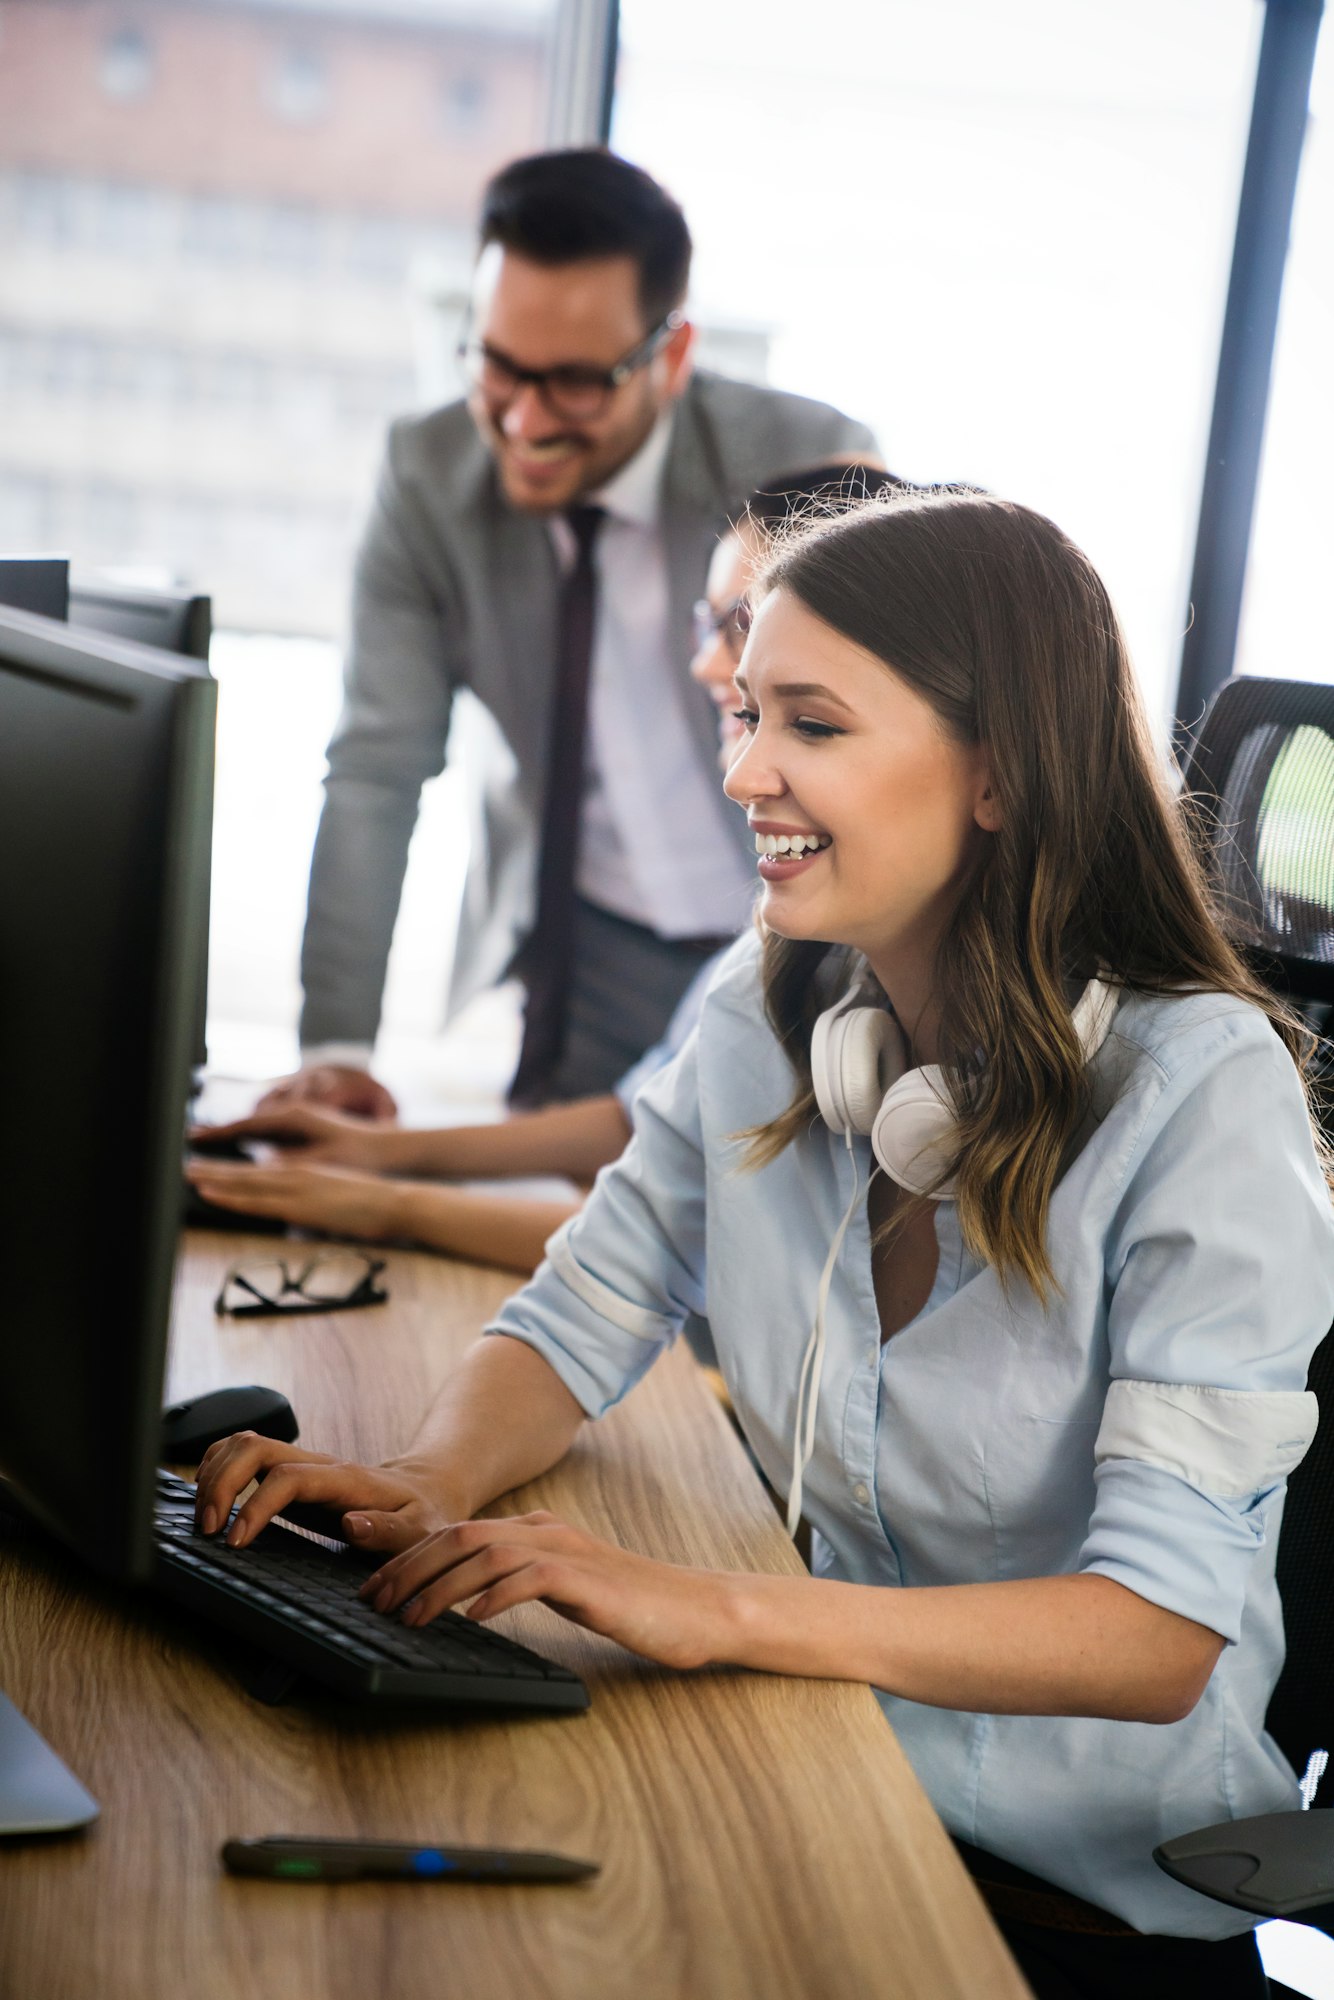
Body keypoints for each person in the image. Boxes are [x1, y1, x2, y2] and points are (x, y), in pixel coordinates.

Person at [194, 489, 1333, 1995]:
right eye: (745, 713)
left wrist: (709, 1606)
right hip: (811, 1772)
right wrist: (423, 1482)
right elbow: (583, 1304)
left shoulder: (1199, 1098)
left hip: (1064, 1910)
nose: (740, 769)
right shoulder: (775, 1000)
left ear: (996, 773)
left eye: (809, 723)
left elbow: (1157, 1632)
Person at [269, 147, 876, 1121]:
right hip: (583, 943)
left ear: (669, 358)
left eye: (573, 384)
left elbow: (875, 736)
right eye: (498, 366)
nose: (522, 418)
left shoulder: (802, 466)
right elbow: (376, 766)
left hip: (779, 927)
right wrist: (335, 1049)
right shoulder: (425, 478)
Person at [187, 464, 896, 1275]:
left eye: (737, 625)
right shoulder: (767, 946)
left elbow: (688, 1250)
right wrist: (383, 1155)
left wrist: (385, 1203)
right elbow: (643, 1119)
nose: (710, 668)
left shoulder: (864, 956)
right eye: (709, 626)